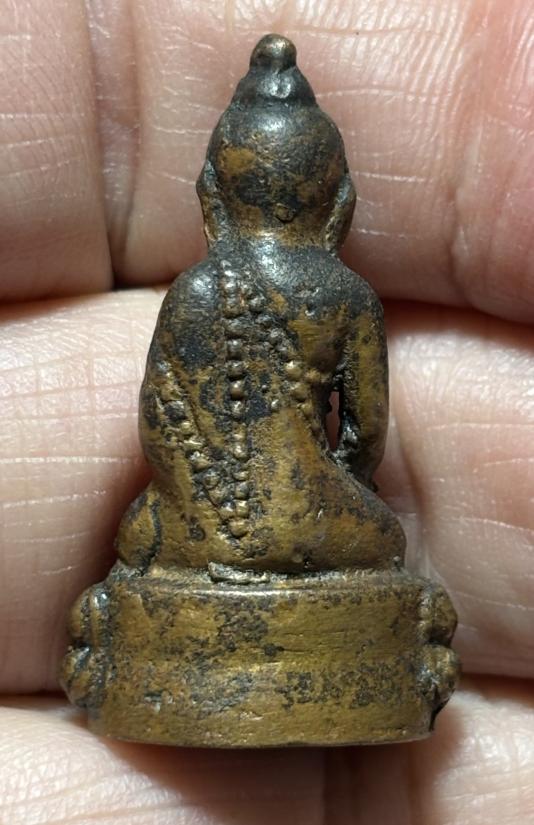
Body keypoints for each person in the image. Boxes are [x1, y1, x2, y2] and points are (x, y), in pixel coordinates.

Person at [0, 2, 532, 822]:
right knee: (384, 539)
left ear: (211, 197)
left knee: (140, 537)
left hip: (196, 523)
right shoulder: (345, 297)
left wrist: (206, 500)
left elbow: (161, 419)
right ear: (339, 200)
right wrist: (320, 489)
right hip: (315, 516)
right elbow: (364, 437)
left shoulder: (193, 293)